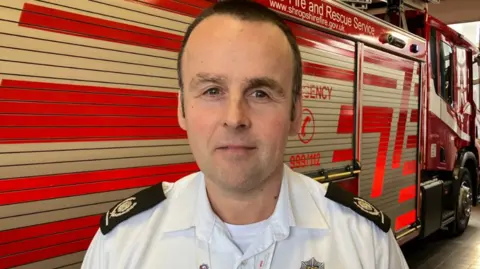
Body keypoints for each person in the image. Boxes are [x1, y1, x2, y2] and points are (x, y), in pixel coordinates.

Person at [81, 1, 410, 268]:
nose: (235, 118)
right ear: (181, 109)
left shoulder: (366, 245)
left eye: (261, 93)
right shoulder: (120, 247)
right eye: (212, 91)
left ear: (296, 112)